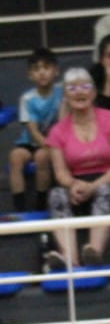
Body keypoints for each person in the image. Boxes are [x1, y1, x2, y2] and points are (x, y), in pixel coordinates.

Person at [45, 68, 110, 269]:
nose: (79, 92)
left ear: (94, 93)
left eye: (85, 86)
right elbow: (60, 172)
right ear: (65, 96)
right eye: (72, 88)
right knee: (57, 195)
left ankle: (94, 251)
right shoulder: (57, 131)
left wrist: (94, 186)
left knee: (104, 190)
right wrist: (74, 185)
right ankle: (70, 258)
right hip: (77, 185)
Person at [8, 48, 62, 213]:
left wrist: (52, 146)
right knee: (15, 157)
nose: (42, 73)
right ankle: (20, 207)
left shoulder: (62, 92)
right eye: (36, 69)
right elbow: (32, 130)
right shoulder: (27, 98)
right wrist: (46, 144)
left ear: (56, 71)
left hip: (53, 142)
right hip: (31, 141)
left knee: (41, 157)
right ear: (30, 75)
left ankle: (40, 203)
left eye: (46, 67)